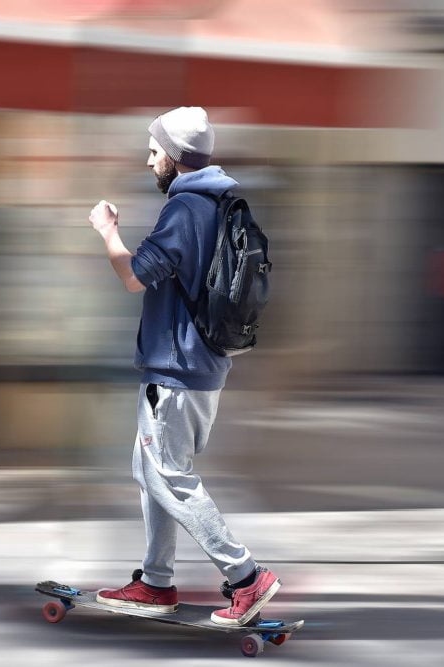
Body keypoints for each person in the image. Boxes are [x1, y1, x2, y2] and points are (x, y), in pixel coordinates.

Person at [86, 106, 280, 626]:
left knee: (169, 475)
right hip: (202, 363)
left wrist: (107, 230)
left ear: (174, 156)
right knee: (151, 470)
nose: (149, 160)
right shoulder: (220, 202)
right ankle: (155, 582)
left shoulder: (185, 208)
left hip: (176, 369)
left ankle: (246, 576)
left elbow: (134, 276)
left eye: (155, 151)